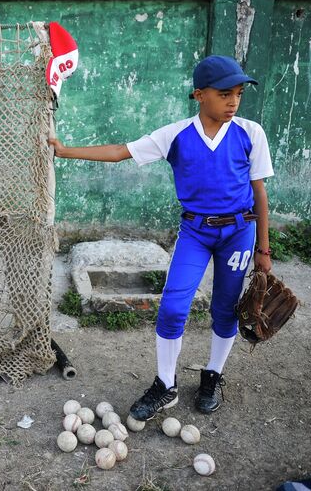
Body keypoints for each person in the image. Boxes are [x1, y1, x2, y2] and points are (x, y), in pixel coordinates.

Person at [49, 55, 274, 420]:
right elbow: (121, 152)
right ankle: (165, 385)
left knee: (225, 309)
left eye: (238, 93)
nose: (233, 101)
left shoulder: (250, 133)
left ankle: (213, 375)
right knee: (172, 308)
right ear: (199, 95)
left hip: (239, 232)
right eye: (224, 94)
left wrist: (263, 249)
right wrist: (65, 151)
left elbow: (259, 192)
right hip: (196, 232)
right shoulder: (177, 135)